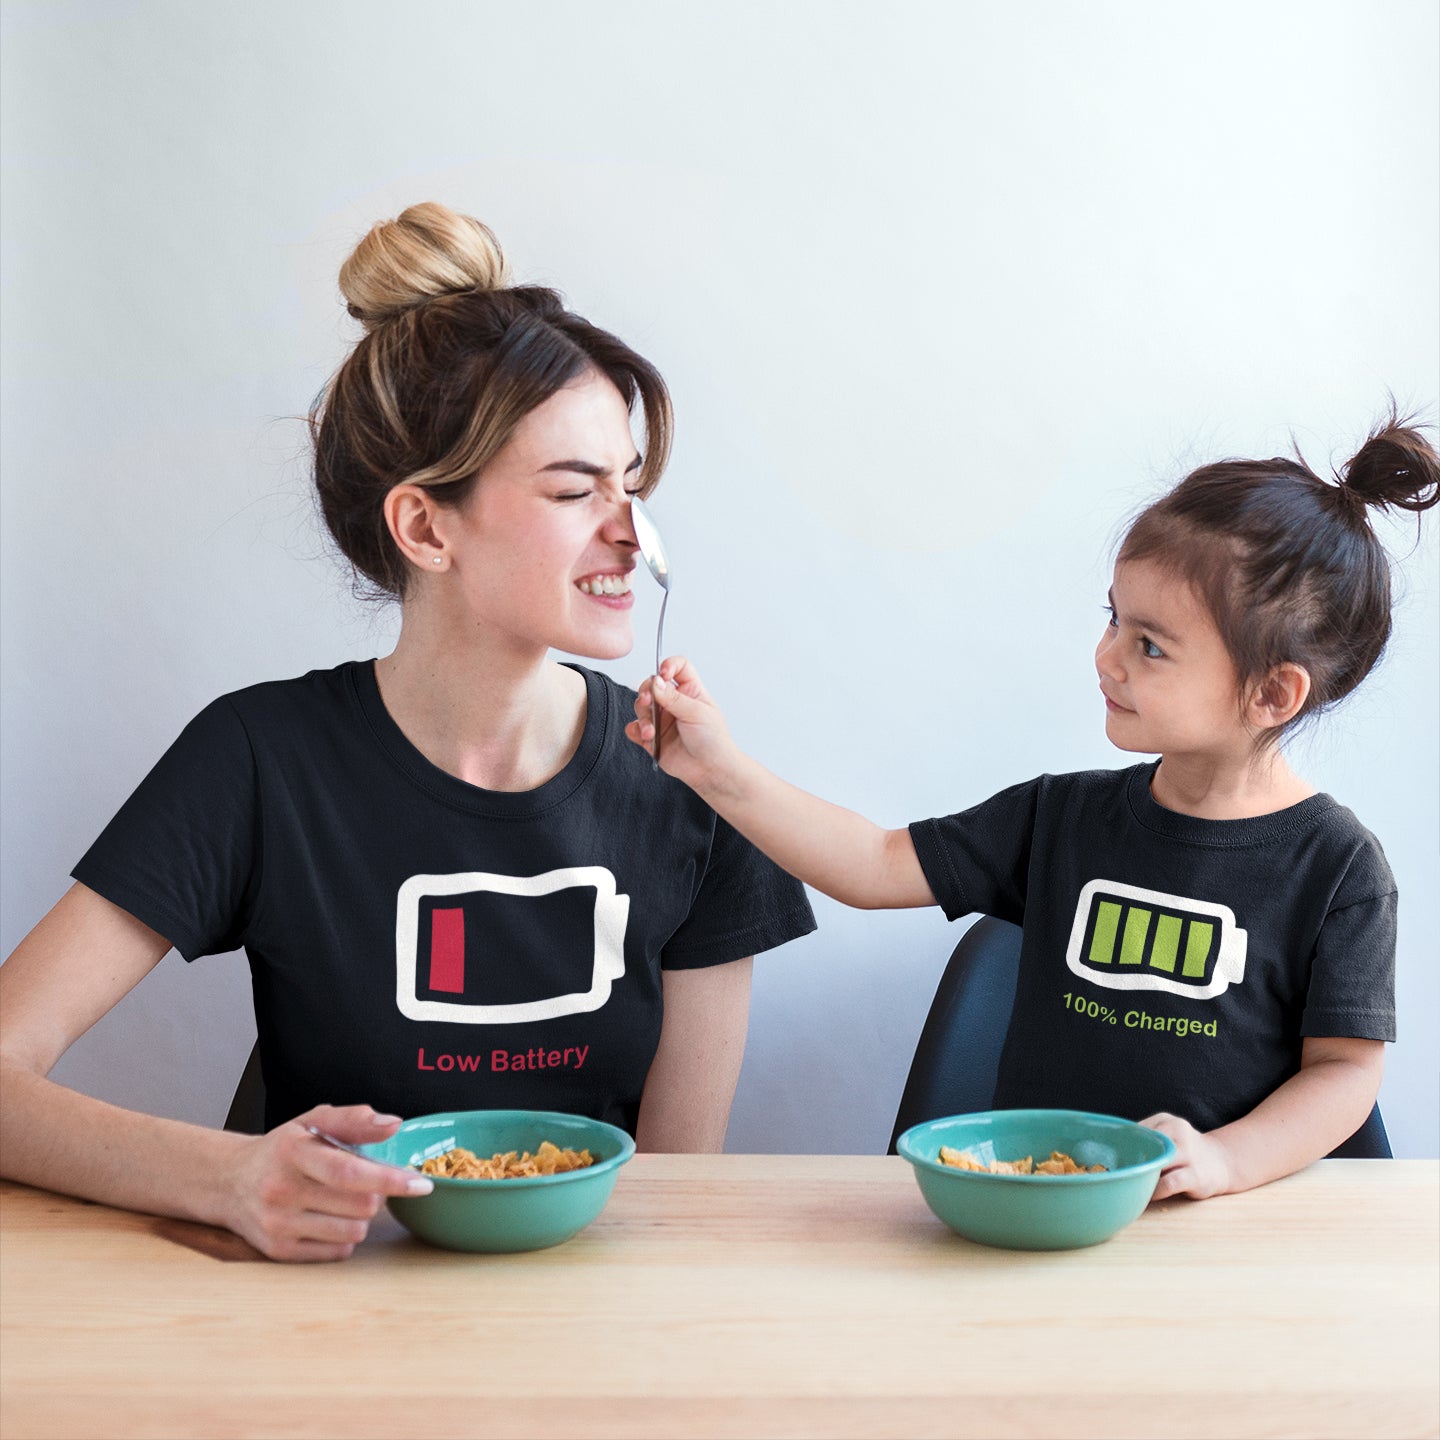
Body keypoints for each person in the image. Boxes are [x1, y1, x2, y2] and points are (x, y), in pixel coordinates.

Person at [0, 202, 815, 1260]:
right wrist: (232, 1174)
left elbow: (670, 1198)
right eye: (576, 490)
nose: (631, 532)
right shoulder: (260, 759)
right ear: (427, 526)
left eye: (634, 487)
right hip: (316, 1319)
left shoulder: (699, 784)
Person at [628, 412, 1437, 1200]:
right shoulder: (1061, 818)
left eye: (1150, 645)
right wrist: (715, 769)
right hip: (1037, 1215)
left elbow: (1345, 1074)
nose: (1106, 657)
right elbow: (874, 865)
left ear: (1271, 693)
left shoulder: (1339, 870)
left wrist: (1222, 1161)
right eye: (1113, 620)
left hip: (1212, 1244)